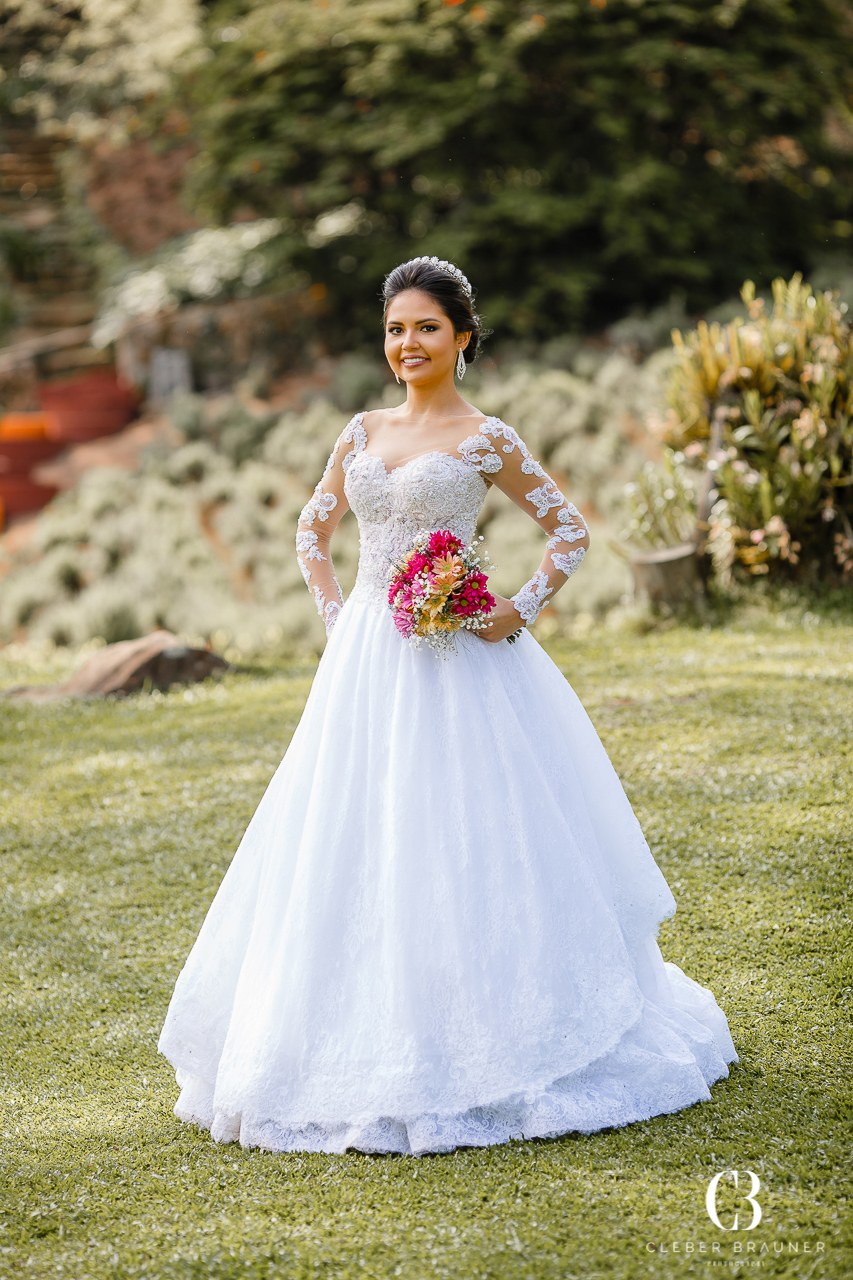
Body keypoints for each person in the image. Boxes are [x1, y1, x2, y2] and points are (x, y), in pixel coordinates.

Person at [158, 257, 737, 1157]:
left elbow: (571, 531)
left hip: (462, 659)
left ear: (462, 337)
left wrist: (516, 608)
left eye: (426, 327)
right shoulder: (358, 432)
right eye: (395, 329)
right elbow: (312, 530)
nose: (407, 344)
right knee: (351, 829)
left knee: (464, 826)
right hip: (366, 659)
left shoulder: (486, 437)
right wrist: (337, 617)